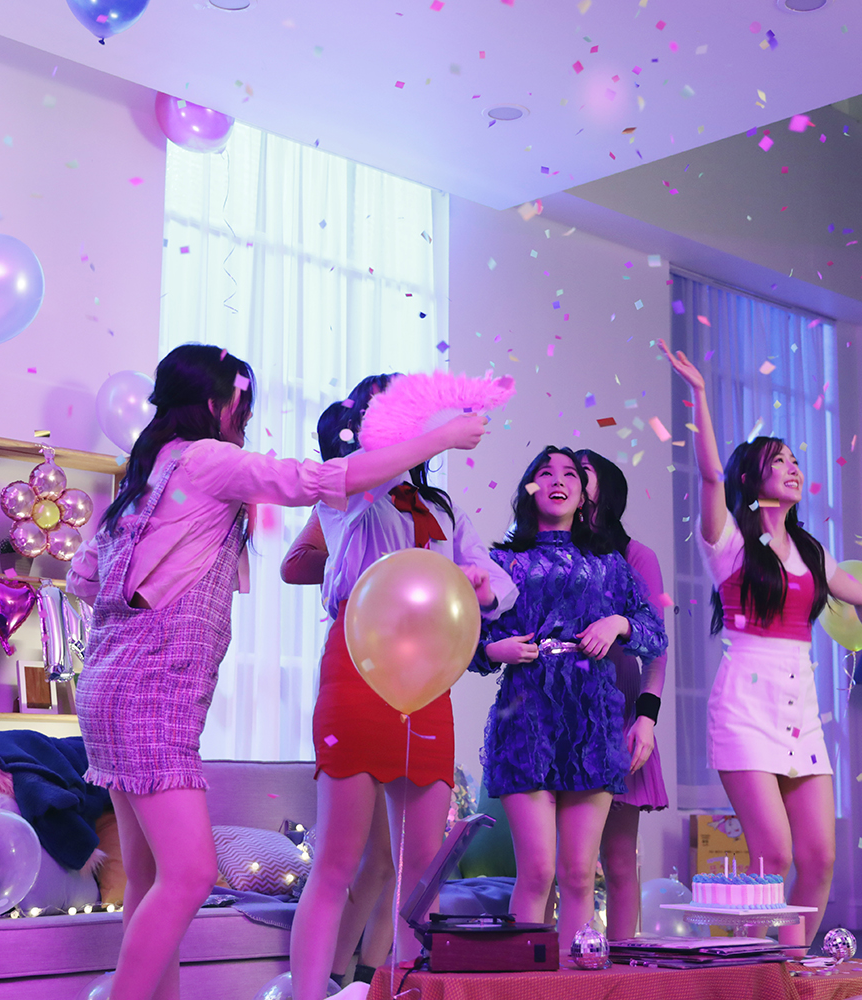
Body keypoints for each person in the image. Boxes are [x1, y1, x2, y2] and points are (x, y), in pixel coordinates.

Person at [68, 346, 487, 1000]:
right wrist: (441, 438)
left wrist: (153, 595)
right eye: (245, 405)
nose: (246, 419)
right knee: (190, 876)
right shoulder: (206, 459)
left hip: (107, 685)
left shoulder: (144, 476)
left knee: (150, 881)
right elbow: (321, 480)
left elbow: (84, 578)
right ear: (219, 403)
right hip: (154, 691)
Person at [661, 339, 862, 951]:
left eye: (795, 460)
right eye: (779, 461)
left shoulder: (811, 551)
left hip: (801, 716)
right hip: (744, 709)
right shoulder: (728, 544)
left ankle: (789, 969)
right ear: (752, 478)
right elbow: (709, 475)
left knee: (819, 858)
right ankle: (762, 971)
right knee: (774, 854)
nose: (793, 468)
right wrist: (699, 394)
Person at [285, 374, 516, 1000]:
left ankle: (409, 990)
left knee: (422, 869)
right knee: (337, 862)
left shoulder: (441, 508)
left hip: (429, 677)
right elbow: (363, 482)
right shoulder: (347, 487)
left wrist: (480, 584)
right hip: (358, 669)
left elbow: (497, 582)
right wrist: (438, 435)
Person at [472, 446, 668, 951]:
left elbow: (654, 634)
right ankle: (525, 983)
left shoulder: (610, 566)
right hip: (526, 720)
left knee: (580, 874)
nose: (558, 480)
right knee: (537, 871)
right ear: (529, 490)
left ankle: (575, 980)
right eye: (545, 472)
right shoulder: (503, 563)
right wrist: (493, 648)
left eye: (570, 475)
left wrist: (618, 623)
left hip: (593, 724)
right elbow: (464, 642)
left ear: (584, 498)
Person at [573, 448, 670, 941]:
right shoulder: (554, 552)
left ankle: (624, 963)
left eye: (581, 472)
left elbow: (657, 647)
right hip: (564, 708)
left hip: (620, 710)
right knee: (561, 861)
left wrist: (646, 719)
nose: (569, 478)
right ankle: (552, 967)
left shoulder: (637, 557)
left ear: (605, 488)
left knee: (617, 858)